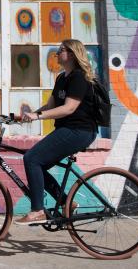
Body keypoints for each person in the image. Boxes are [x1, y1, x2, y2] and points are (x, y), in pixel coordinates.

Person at [14, 39, 98, 225]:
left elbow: (69, 108)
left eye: (61, 50)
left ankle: (37, 211)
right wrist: (28, 116)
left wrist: (39, 117)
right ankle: (67, 202)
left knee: (31, 159)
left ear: (72, 54)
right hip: (67, 130)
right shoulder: (62, 78)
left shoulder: (79, 77)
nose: (57, 53)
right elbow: (51, 105)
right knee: (38, 164)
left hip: (79, 130)